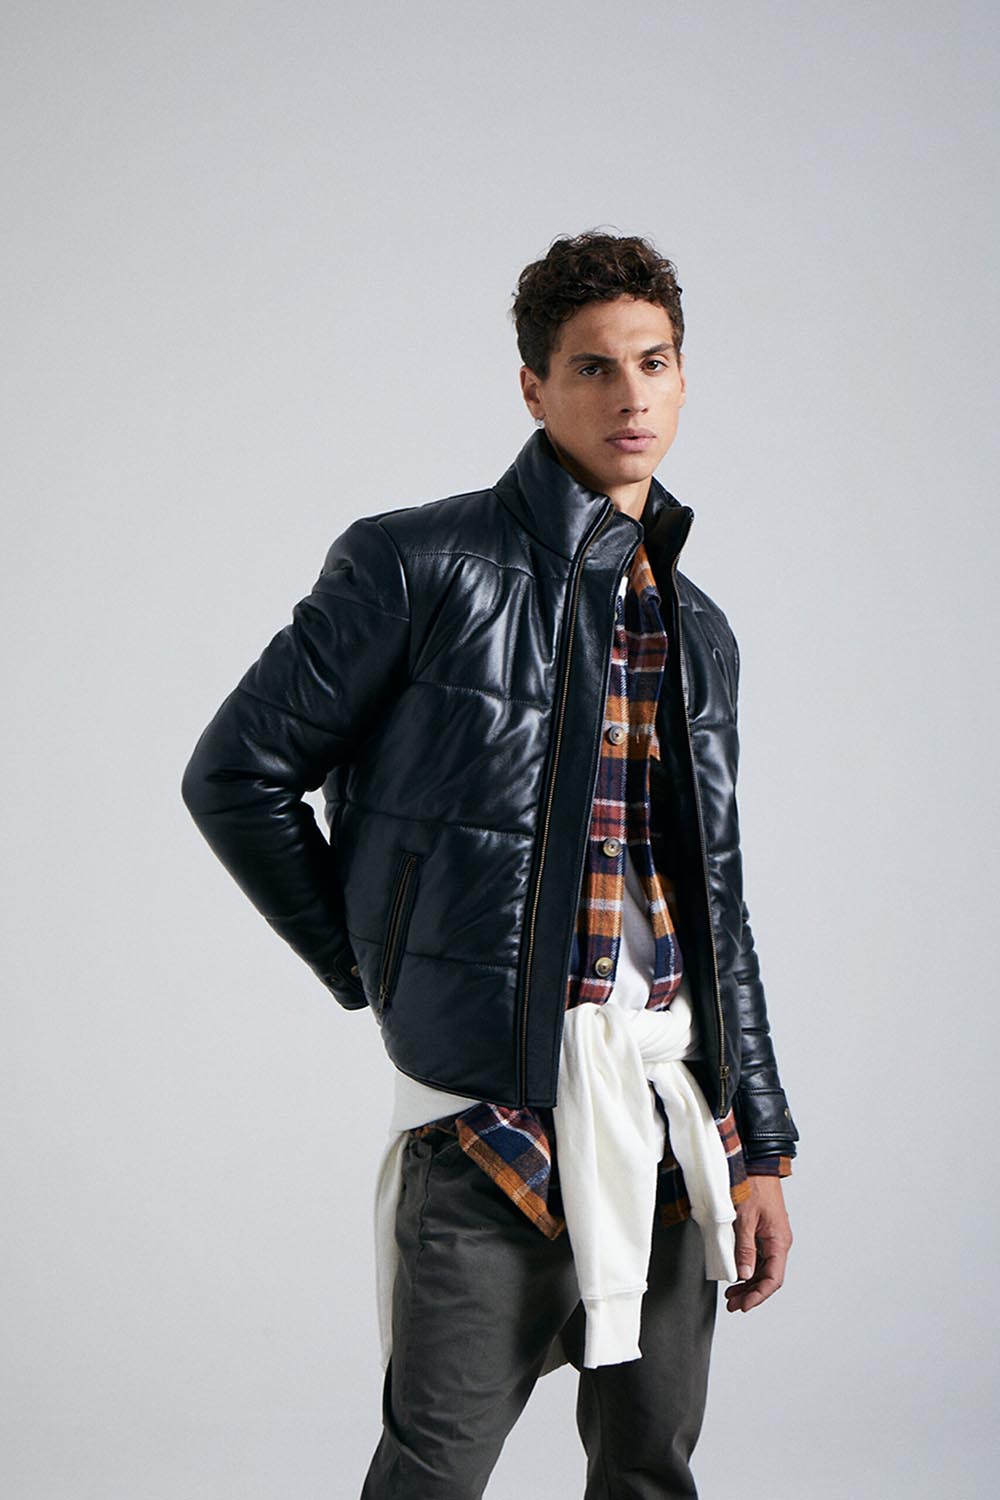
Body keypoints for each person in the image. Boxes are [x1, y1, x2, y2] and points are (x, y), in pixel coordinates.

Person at [181, 229, 799, 1499]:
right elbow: (234, 773)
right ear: (533, 387)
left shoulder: (698, 630)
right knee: (433, 1471)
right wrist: (374, 965)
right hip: (486, 1126)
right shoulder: (418, 565)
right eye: (592, 367)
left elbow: (716, 906)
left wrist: (761, 1149)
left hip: (666, 1116)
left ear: (684, 377)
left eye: (653, 362)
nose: (629, 396)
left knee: (648, 1470)